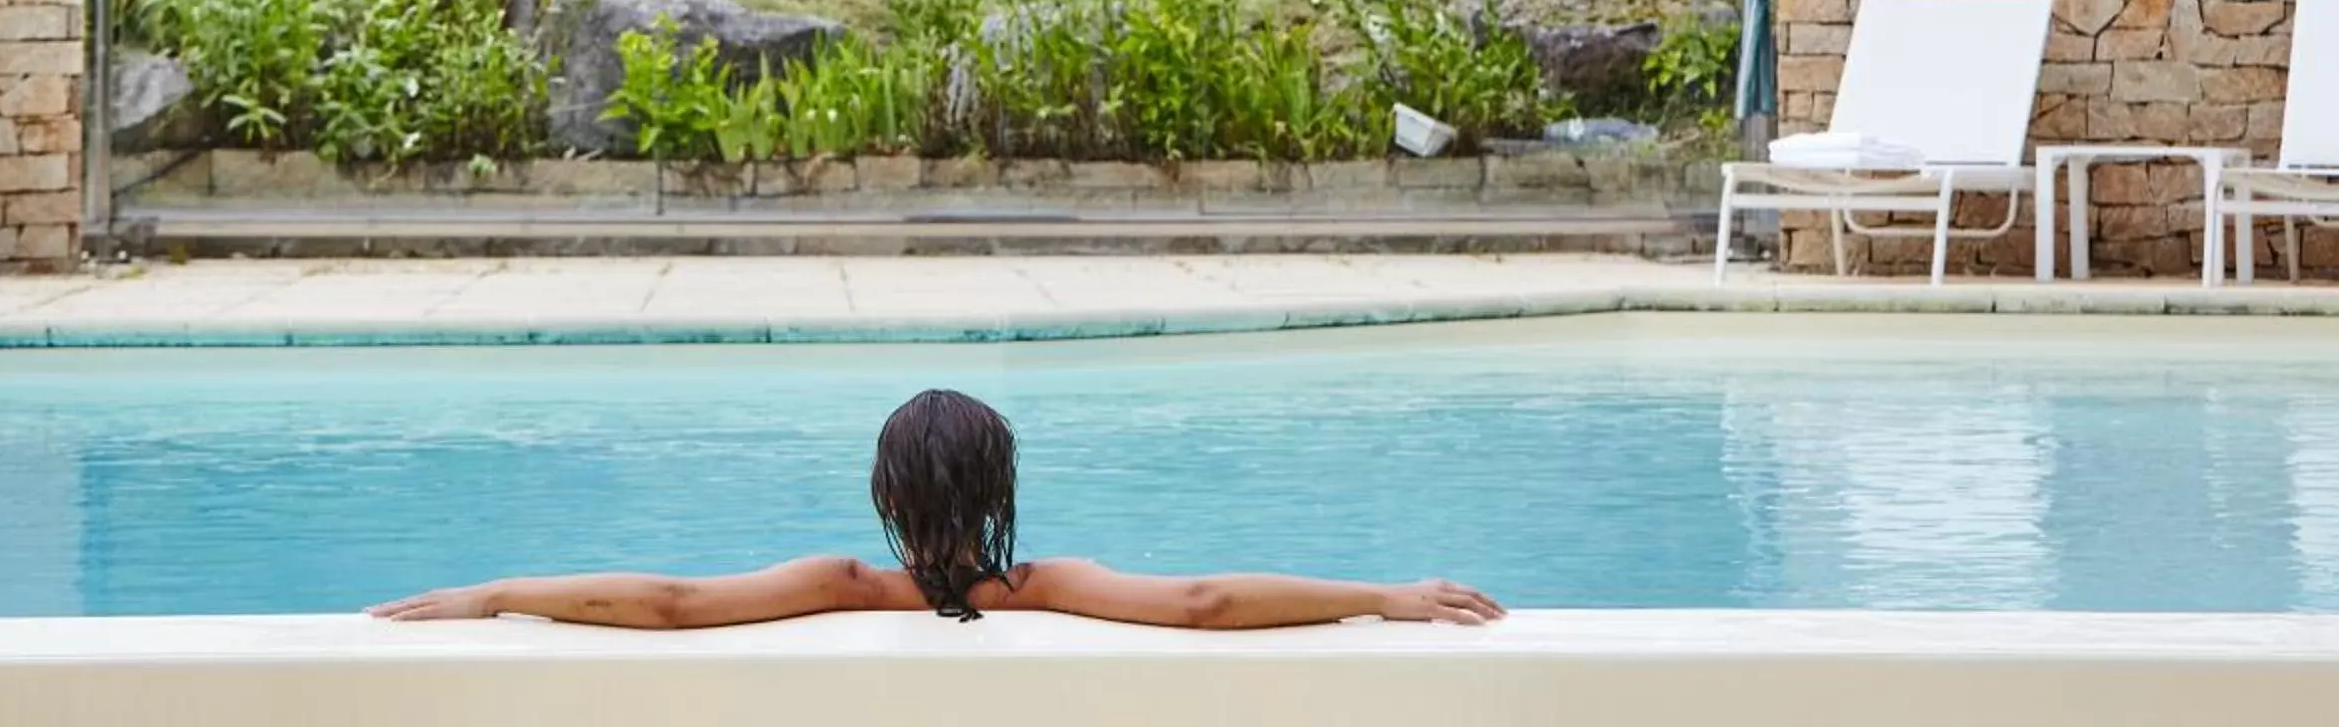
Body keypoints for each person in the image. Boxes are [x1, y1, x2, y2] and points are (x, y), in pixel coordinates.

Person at [369, 386, 1505, 631]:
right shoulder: (1044, 584)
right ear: (1001, 491)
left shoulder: (841, 584)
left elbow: (668, 601)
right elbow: (1204, 601)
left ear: (882, 492)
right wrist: (1382, 594)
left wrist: (498, 590)